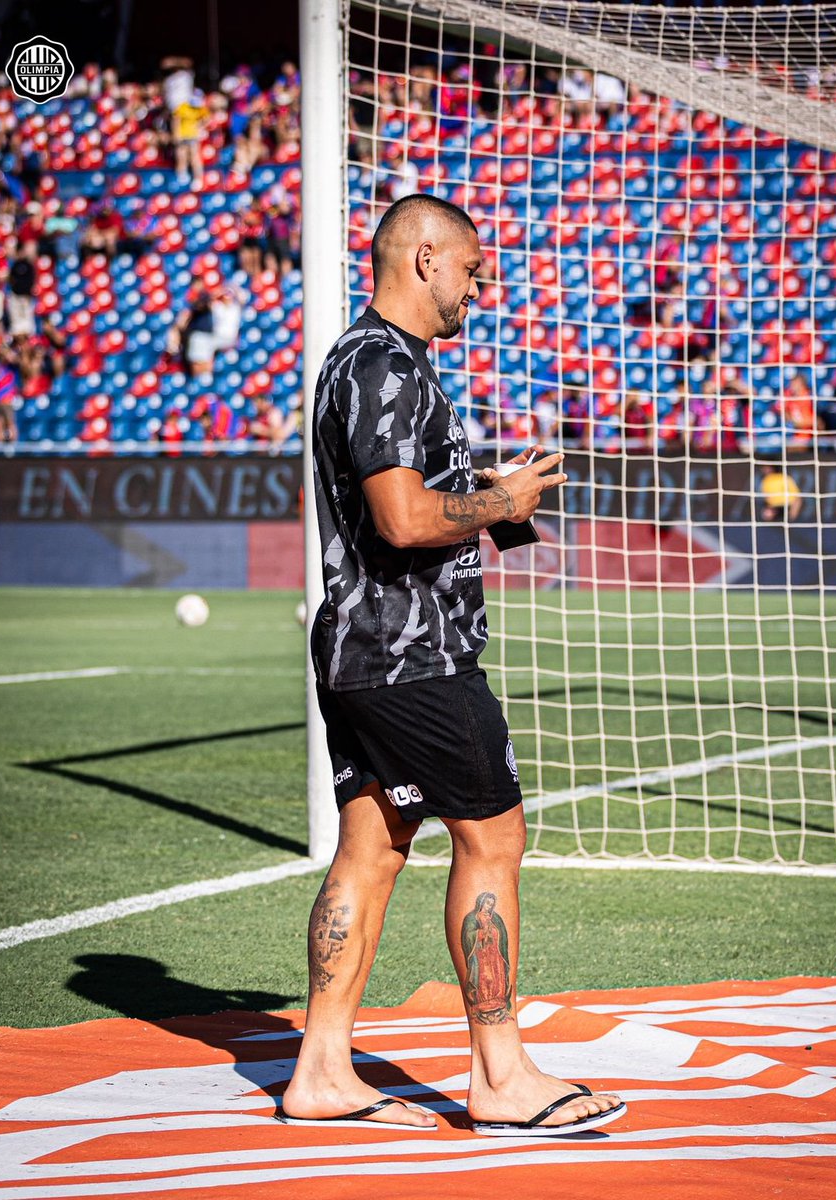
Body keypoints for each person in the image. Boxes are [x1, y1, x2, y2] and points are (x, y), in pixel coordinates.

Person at [280, 193, 626, 1137]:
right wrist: (497, 496)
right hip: (413, 655)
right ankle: (499, 1076)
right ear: (425, 258)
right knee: (492, 839)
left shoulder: (363, 362)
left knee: (372, 846)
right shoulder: (386, 365)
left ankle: (319, 1072)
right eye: (472, 268)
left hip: (362, 651)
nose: (481, 285)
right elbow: (399, 520)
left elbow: (405, 506)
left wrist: (487, 503)